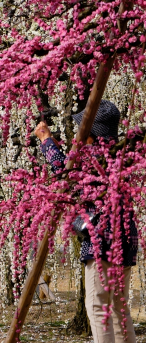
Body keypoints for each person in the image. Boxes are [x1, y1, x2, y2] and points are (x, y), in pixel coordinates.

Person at [35, 100, 139, 343]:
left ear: (90, 130)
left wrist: (46, 140)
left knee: (98, 307)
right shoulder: (120, 154)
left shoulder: (93, 156)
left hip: (102, 239)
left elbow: (64, 172)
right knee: (118, 310)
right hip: (124, 239)